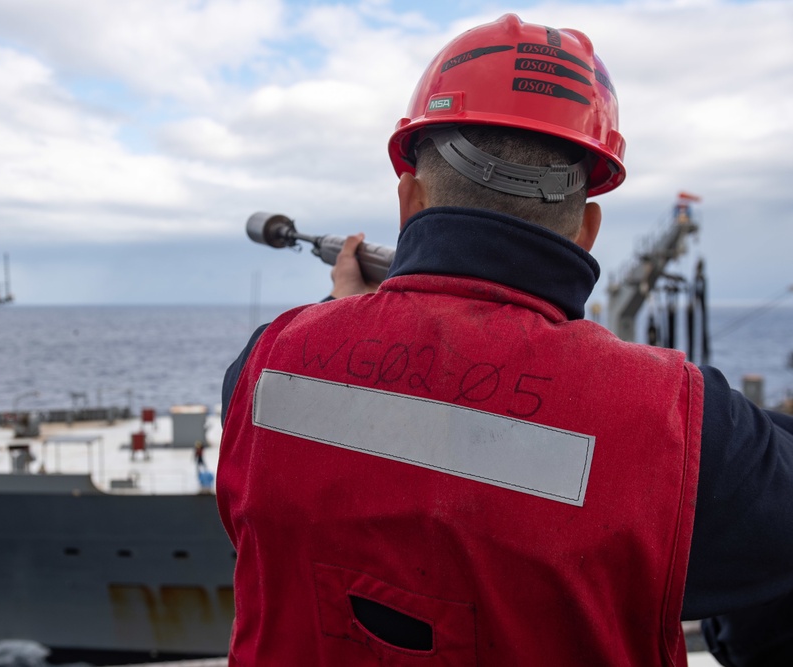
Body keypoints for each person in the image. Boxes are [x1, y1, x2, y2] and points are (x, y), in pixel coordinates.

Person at [216, 14, 793, 666]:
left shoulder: (261, 369)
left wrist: (343, 318)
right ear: (587, 229)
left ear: (409, 201)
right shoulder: (685, 426)